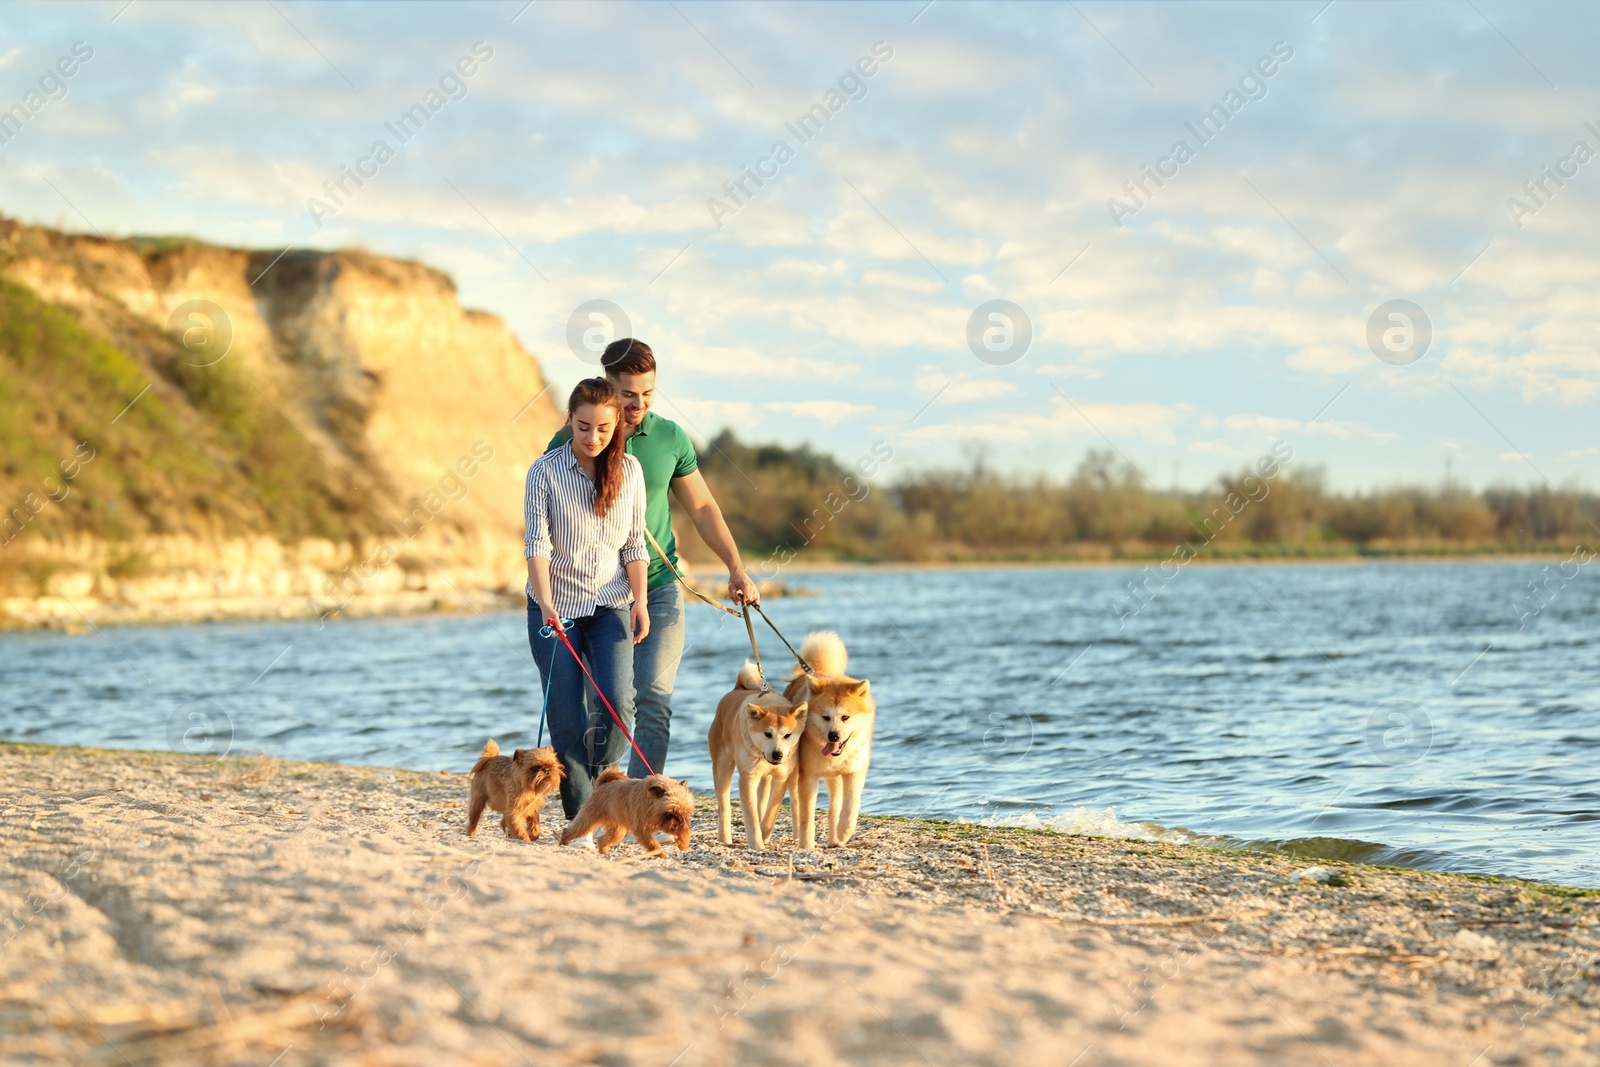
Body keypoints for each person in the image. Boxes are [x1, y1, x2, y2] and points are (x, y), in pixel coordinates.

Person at [547, 338, 760, 779]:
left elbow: (702, 508)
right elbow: (547, 515)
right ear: (606, 385)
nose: (638, 404)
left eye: (648, 394)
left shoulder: (669, 437)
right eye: (627, 395)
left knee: (656, 697)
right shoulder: (573, 438)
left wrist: (736, 568)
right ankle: (599, 799)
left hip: (659, 584)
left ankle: (647, 803)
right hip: (597, 595)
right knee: (606, 705)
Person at [525, 377, 650, 818]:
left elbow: (635, 544)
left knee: (618, 703)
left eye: (602, 428)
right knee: (566, 719)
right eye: (582, 427)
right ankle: (582, 818)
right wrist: (544, 602)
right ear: (569, 420)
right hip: (554, 607)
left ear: (617, 424)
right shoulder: (544, 472)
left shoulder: (631, 472)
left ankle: (598, 772)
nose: (592, 438)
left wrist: (641, 601)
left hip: (611, 603)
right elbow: (536, 545)